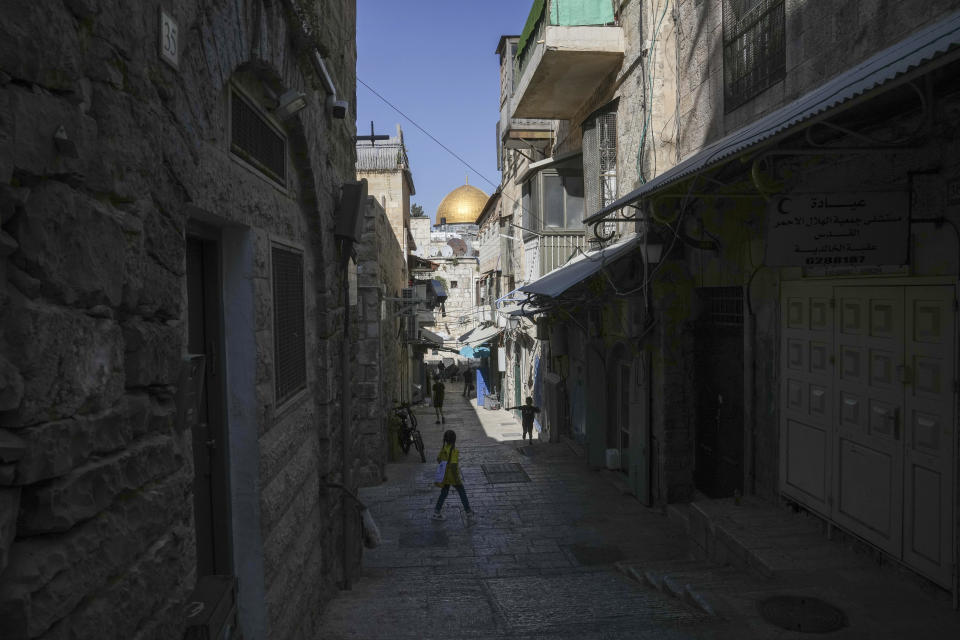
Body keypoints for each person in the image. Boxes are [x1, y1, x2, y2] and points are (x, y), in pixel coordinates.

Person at [432, 430, 475, 522]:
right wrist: (457, 479)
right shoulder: (454, 451)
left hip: (445, 477)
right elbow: (454, 466)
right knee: (462, 492)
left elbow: (438, 459)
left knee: (444, 493)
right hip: (453, 477)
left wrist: (444, 465)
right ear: (454, 440)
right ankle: (468, 512)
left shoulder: (444, 449)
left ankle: (436, 512)